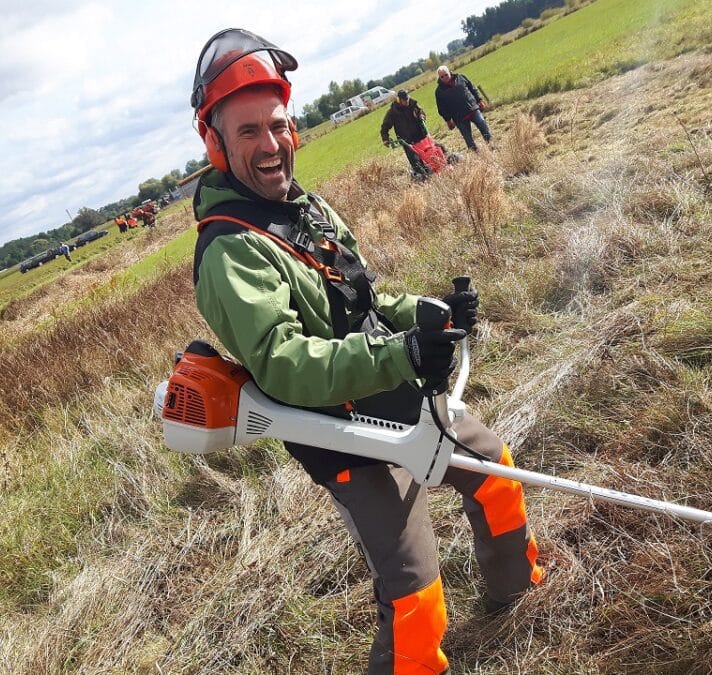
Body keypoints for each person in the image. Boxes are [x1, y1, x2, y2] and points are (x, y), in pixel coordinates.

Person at [188, 28, 544, 674]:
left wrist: (432, 316)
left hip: (394, 389)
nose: (272, 146)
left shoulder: (304, 210)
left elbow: (365, 302)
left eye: (278, 126)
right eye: (249, 133)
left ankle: (517, 602)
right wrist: (405, 353)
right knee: (416, 594)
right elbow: (288, 367)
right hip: (340, 434)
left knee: (497, 474)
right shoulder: (229, 251)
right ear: (214, 142)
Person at [435, 65, 491, 151]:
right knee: (468, 140)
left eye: (446, 74)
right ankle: (477, 156)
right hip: (459, 118)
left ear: (449, 72)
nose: (445, 77)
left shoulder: (461, 78)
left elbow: (472, 88)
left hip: (473, 109)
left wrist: (479, 100)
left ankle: (491, 146)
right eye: (442, 76)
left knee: (483, 126)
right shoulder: (439, 91)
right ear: (439, 78)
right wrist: (448, 120)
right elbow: (441, 108)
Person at [380, 89, 431, 174]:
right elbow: (385, 126)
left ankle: (432, 168)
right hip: (406, 139)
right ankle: (422, 175)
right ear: (399, 100)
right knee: (415, 160)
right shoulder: (393, 111)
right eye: (404, 100)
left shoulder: (413, 104)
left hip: (420, 135)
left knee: (428, 153)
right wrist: (385, 138)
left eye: (407, 99)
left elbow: (421, 112)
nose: (406, 101)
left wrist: (422, 116)